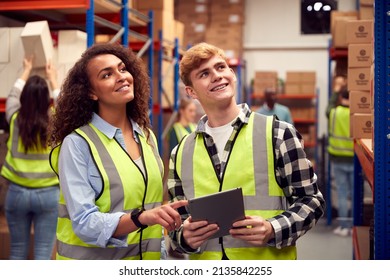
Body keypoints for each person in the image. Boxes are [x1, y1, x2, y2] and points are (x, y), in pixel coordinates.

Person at [167, 42, 325, 260]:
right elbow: (177, 223)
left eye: (221, 67)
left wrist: (273, 229)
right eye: (204, 73)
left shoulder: (278, 134)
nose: (216, 76)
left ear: (232, 74)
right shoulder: (181, 152)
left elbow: (312, 201)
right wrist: (184, 239)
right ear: (191, 91)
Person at [49, 43, 187, 260]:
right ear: (91, 92)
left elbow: (149, 204)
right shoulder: (78, 144)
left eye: (122, 69)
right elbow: (84, 223)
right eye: (106, 75)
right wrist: (142, 218)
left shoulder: (146, 136)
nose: (121, 77)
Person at [0, 57, 60, 259]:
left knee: (17, 250)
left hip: (17, 193)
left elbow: (12, 97)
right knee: (43, 253)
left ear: (25, 98)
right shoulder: (55, 120)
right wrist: (53, 79)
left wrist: (25, 70)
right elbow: (63, 103)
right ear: (46, 99)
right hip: (49, 195)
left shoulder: (15, 119)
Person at [327, 88, 354, 237]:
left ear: (341, 97)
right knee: (354, 195)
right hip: (354, 160)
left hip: (338, 159)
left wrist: (335, 92)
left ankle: (344, 227)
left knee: (342, 194)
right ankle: (354, 226)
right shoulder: (356, 114)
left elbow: (328, 108)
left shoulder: (334, 112)